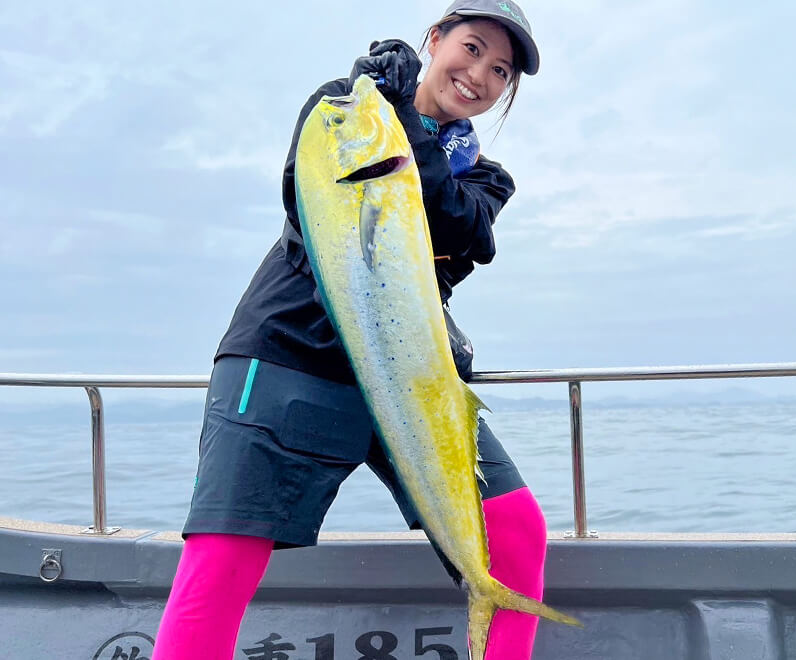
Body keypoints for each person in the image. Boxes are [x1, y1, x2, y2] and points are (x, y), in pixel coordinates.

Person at [151, 1, 543, 658]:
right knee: (224, 558)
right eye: (471, 48)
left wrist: (405, 124)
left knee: (514, 532)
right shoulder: (343, 104)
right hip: (288, 357)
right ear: (435, 39)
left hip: (411, 371)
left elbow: (456, 229)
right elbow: (301, 197)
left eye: (500, 70)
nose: (480, 74)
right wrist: (378, 103)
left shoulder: (486, 178)